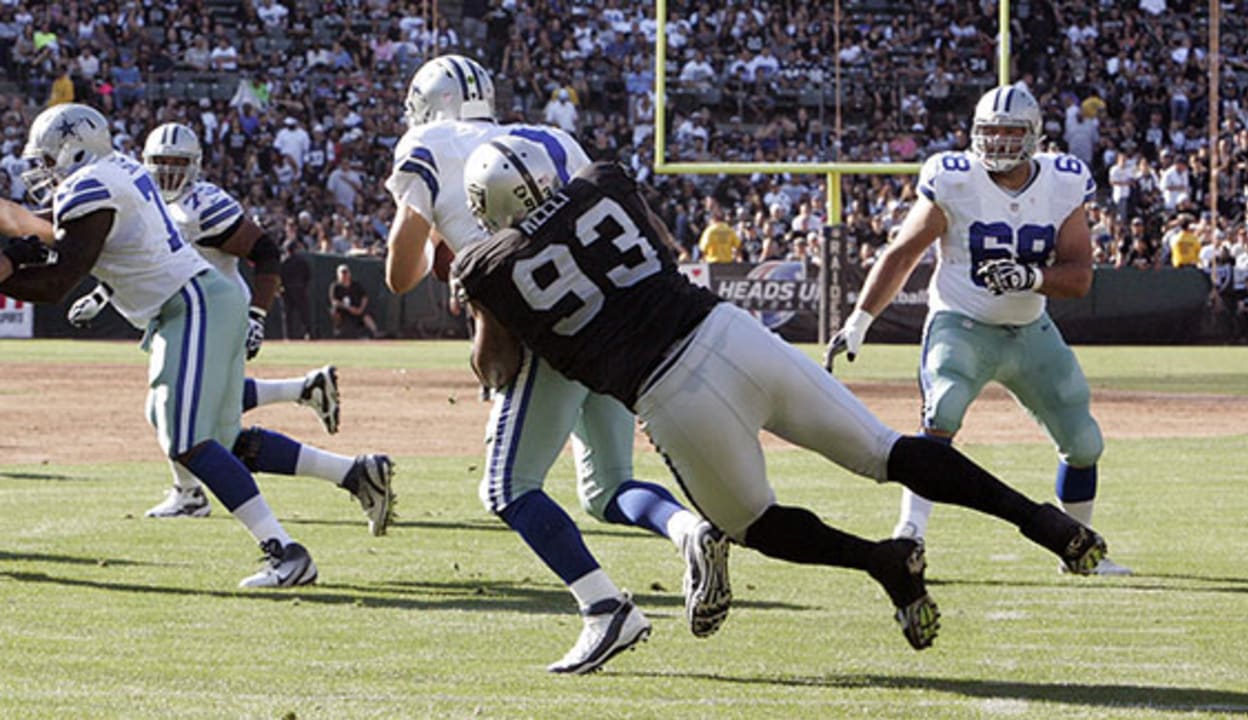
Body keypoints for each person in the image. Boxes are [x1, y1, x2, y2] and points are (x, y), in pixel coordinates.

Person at [451, 135, 1112, 655]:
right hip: (728, 330)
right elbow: (665, 247)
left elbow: (497, 368)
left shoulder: (486, 267)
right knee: (887, 450)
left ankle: (882, 562)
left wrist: (482, 305)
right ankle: (1046, 523)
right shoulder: (601, 181)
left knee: (752, 524)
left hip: (669, 391)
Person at [383, 55, 730, 674]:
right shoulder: (548, 137)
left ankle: (605, 609)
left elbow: (400, 274)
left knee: (507, 488)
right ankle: (688, 532)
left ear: (427, 103)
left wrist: (440, 235)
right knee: (606, 486)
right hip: (615, 318)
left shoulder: (427, 143)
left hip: (549, 319)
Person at [0, 104, 318, 587]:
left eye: (48, 158)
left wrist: (8, 270)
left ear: (75, 149)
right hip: (196, 303)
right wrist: (13, 231)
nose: (43, 171)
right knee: (204, 437)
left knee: (187, 440)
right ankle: (309, 520)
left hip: (192, 305)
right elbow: (45, 225)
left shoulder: (90, 187)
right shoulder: (114, 171)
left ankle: (287, 553)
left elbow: (57, 281)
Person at [825, 85, 1130, 576]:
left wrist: (1031, 276)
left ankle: (1081, 552)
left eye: (1012, 132)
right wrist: (861, 319)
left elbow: (1079, 276)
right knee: (940, 415)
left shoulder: (1062, 181)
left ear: (1034, 135)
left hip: (1031, 329)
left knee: (1084, 441)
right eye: (990, 131)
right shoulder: (956, 179)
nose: (1000, 142)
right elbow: (903, 253)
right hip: (961, 324)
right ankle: (909, 536)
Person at [62, 122, 393, 532]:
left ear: (195, 165)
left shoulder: (205, 202)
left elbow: (265, 250)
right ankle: (349, 466)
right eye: (159, 163)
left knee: (184, 422)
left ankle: (208, 502)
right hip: (184, 315)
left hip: (212, 315)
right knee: (208, 428)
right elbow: (141, 265)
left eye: (176, 163)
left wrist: (257, 315)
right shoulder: (141, 199)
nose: (167, 172)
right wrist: (101, 295)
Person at [329, 263, 380, 338]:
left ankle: (376, 333)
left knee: (366, 316)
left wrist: (360, 309)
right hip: (343, 310)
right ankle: (337, 329)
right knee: (334, 311)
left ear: (349, 274)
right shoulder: (335, 286)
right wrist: (349, 308)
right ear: (338, 275)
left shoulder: (356, 285)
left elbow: (364, 297)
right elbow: (334, 301)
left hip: (357, 309)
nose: (344, 275)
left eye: (346, 273)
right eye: (342, 273)